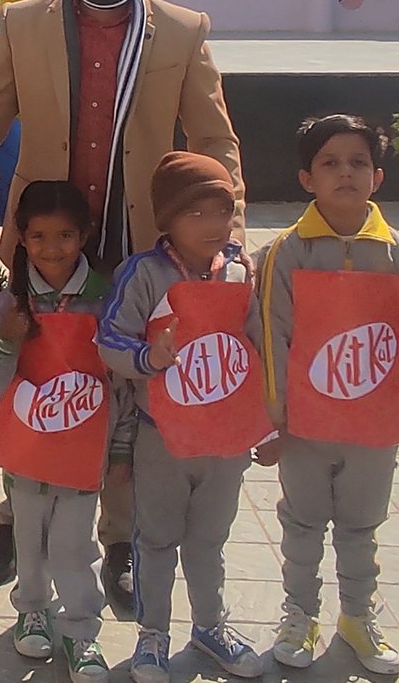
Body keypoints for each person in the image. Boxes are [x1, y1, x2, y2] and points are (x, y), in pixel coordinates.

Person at [0, 0, 246, 604]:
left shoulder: (182, 30)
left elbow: (215, 139)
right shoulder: (23, 24)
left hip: (137, 247)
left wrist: (229, 236)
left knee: (125, 395)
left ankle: (118, 541)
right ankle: (12, 521)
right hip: (47, 246)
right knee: (35, 383)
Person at [251, 115, 399, 676]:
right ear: (307, 178)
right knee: (302, 525)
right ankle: (299, 615)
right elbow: (270, 335)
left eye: (358, 163)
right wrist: (276, 419)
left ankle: (357, 617)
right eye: (330, 163)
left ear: (377, 176)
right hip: (305, 428)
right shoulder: (287, 253)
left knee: (361, 528)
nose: (345, 174)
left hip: (373, 427)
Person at [97, 153, 273, 681]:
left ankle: (209, 625)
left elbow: (260, 349)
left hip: (225, 440)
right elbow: (109, 340)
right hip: (162, 438)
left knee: (210, 539)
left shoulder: (242, 271)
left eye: (222, 210)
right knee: (155, 539)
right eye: (195, 214)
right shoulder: (144, 275)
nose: (214, 225)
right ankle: (152, 634)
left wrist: (267, 422)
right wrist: (149, 359)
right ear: (166, 220)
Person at [0, 181, 133, 682]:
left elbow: (122, 385)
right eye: (38, 236)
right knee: (30, 540)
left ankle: (82, 631)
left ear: (84, 235)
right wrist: (7, 341)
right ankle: (31, 608)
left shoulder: (107, 300)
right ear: (21, 239)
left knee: (74, 545)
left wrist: (121, 448)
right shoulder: (9, 304)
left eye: (65, 235)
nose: (52, 248)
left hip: (84, 456)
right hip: (26, 457)